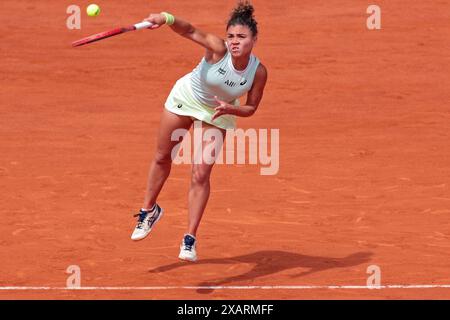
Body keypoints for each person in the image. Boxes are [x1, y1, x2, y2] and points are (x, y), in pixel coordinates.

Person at [130, 1, 268, 262]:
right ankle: (149, 210)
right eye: (231, 36)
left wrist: (230, 108)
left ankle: (189, 238)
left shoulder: (258, 72)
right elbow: (190, 30)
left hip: (219, 111)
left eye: (241, 37)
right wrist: (166, 17)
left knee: (201, 172)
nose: (234, 42)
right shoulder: (218, 49)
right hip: (188, 97)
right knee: (162, 156)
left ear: (254, 39)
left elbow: (251, 107)